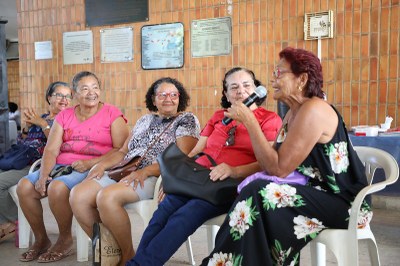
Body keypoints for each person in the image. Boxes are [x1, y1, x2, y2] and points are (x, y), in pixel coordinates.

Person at [201, 47, 371, 266]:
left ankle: (221, 262)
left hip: (344, 201)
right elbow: (268, 160)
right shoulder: (292, 113)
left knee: (260, 192)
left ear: (302, 79)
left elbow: (278, 169)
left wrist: (250, 122)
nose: (273, 78)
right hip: (313, 194)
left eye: (279, 73)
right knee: (260, 197)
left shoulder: (314, 110)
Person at [127, 67, 282, 266]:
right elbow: (194, 151)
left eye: (246, 85)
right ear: (226, 94)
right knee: (162, 213)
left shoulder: (269, 119)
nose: (240, 91)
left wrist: (233, 170)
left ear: (256, 89)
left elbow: (266, 163)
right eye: (233, 87)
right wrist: (172, 176)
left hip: (228, 184)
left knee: (184, 216)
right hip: (198, 178)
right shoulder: (219, 116)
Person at [70, 77, 201, 266]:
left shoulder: (186, 120)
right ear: (153, 99)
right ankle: (111, 249)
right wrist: (102, 165)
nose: (168, 99)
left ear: (180, 98)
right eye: (162, 95)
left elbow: (181, 157)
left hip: (155, 177)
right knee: (78, 195)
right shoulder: (144, 120)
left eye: (173, 95)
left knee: (107, 197)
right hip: (124, 170)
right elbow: (123, 151)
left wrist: (145, 171)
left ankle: (127, 255)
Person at [16, 71, 129, 262]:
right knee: (24, 187)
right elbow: (51, 150)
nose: (91, 92)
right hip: (61, 164)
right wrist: (43, 175)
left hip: (94, 165)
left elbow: (120, 149)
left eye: (95, 87)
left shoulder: (112, 113)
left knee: (57, 187)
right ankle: (42, 239)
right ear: (75, 93)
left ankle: (65, 239)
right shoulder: (65, 116)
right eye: (84, 88)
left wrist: (90, 163)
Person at [0, 82, 72, 244]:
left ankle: (14, 223)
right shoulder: (43, 118)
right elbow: (22, 143)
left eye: (68, 96)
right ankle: (6, 223)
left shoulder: (68, 120)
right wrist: (26, 129)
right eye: (59, 95)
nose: (64, 99)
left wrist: (43, 125)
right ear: (49, 98)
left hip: (37, 166)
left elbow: (61, 146)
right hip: (21, 160)